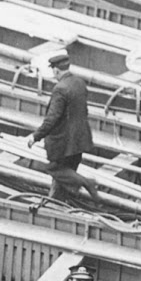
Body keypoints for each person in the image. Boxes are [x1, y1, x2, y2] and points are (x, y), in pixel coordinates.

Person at [27, 47, 101, 208]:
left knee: (54, 169)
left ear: (55, 70)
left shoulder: (60, 89)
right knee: (65, 175)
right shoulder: (79, 82)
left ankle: (87, 183)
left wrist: (35, 136)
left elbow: (51, 119)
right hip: (80, 139)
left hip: (65, 143)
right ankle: (56, 204)